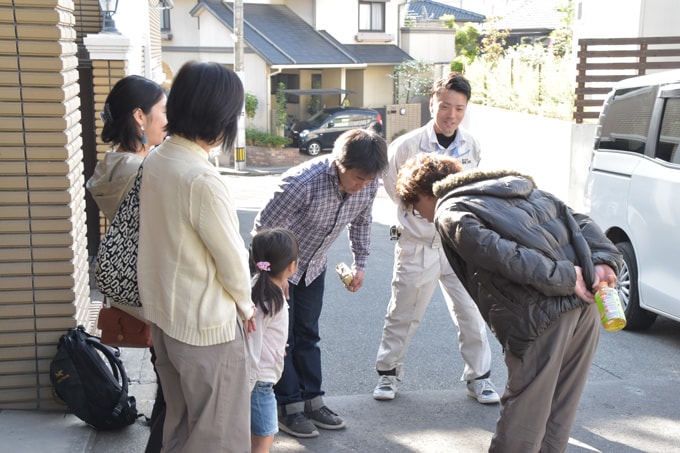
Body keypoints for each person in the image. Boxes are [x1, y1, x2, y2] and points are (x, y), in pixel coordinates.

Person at [394, 153, 623, 453]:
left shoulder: (451, 210)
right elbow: (580, 220)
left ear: (426, 194)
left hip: (542, 315)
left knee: (524, 414)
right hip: (587, 307)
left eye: (414, 207)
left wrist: (566, 276)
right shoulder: (523, 189)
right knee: (559, 408)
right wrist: (606, 260)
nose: (420, 216)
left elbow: (503, 255)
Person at [137, 61, 256, 452]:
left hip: (166, 323)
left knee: (180, 427)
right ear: (220, 117)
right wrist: (248, 308)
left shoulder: (157, 158)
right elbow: (233, 261)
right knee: (216, 437)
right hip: (206, 330)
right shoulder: (201, 178)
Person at [253, 128, 388, 438]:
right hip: (280, 269)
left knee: (308, 334)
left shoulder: (368, 182)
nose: (363, 186)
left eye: (369, 181)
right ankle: (289, 406)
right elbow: (261, 231)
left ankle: (313, 400)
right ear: (340, 163)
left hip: (314, 267)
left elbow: (362, 222)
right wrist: (269, 275)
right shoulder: (303, 183)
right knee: (281, 339)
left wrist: (361, 263)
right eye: (357, 179)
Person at [373, 72, 499, 404]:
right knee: (404, 312)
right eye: (445, 106)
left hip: (459, 244)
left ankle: (479, 377)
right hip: (418, 244)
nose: (451, 115)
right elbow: (394, 191)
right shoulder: (405, 146)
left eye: (459, 108)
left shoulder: (472, 146)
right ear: (432, 103)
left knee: (471, 312)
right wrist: (415, 224)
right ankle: (388, 374)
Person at [84, 74, 167, 453]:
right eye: (163, 111)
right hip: (157, 287)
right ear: (139, 116)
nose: (169, 119)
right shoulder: (140, 172)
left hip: (139, 287)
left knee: (167, 381)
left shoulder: (116, 164)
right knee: (172, 388)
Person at [248, 228, 299, 453]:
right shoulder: (270, 298)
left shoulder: (260, 289)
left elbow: (263, 334)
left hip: (257, 379)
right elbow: (251, 340)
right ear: (292, 266)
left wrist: (277, 347)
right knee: (263, 439)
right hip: (258, 382)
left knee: (256, 437)